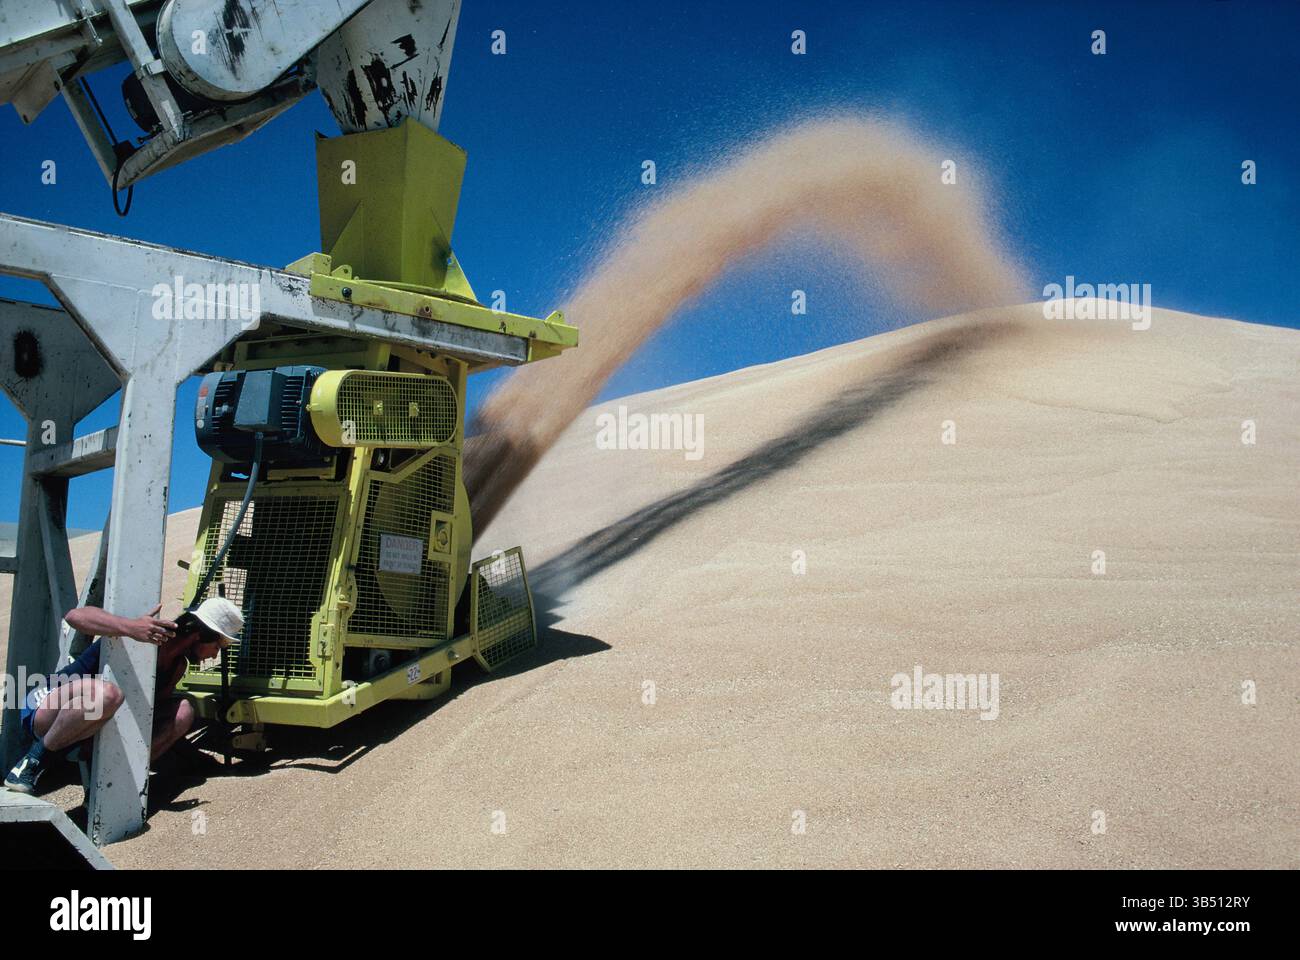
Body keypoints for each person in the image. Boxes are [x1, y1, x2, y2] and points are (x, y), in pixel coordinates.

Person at [3, 596, 243, 795]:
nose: (213, 656)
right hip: (48, 706)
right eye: (217, 647)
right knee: (107, 694)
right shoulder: (142, 633)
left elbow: (145, 715)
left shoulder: (177, 667)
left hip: (89, 727)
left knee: (184, 710)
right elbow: (74, 617)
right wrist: (130, 627)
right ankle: (31, 762)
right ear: (202, 635)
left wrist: (195, 759)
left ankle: (115, 783)